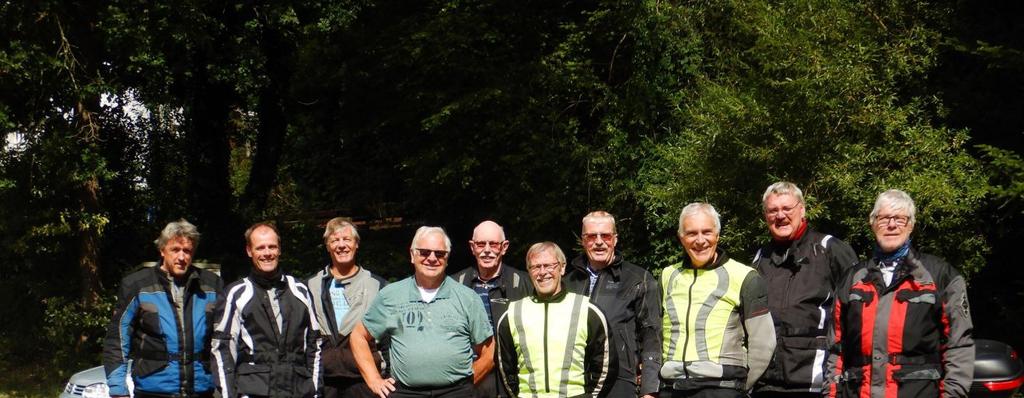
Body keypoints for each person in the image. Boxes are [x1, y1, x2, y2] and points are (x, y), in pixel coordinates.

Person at [824, 190, 974, 398]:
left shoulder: (941, 276)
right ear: (872, 223)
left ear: (911, 225)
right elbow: (835, 349)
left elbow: (958, 345)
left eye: (900, 219)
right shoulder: (852, 278)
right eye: (884, 218)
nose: (891, 225)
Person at [350, 226, 494, 398]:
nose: (432, 258)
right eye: (424, 252)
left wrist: (468, 384)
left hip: (456, 392)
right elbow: (358, 336)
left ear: (447, 258)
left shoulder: (467, 298)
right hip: (405, 393)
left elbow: (489, 350)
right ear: (412, 255)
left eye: (439, 253)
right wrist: (374, 380)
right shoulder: (391, 295)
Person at [750, 182, 859, 398]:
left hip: (814, 383)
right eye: (773, 210)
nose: (780, 216)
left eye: (786, 208)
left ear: (802, 209)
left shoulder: (830, 249)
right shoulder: (760, 258)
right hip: (765, 383)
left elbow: (856, 315)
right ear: (765, 216)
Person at [660, 203, 776, 398]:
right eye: (691, 233)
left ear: (717, 235)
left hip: (722, 388)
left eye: (707, 232)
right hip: (673, 388)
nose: (700, 240)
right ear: (681, 238)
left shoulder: (745, 276)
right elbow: (657, 332)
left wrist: (740, 386)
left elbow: (764, 342)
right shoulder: (668, 275)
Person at [103, 219, 223, 398]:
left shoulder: (212, 285)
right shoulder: (136, 285)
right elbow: (117, 339)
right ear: (162, 250)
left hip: (201, 389)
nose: (181, 257)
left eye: (187, 251)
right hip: (152, 390)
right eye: (175, 249)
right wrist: (118, 389)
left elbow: (225, 339)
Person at [211, 222, 322, 398]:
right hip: (254, 391)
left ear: (279, 250)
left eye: (272, 247)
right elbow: (223, 349)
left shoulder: (300, 290)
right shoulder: (236, 294)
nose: (267, 253)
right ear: (249, 251)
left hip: (298, 390)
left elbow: (315, 346)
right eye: (260, 248)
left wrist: (315, 392)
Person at [496, 241, 614, 398]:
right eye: (536, 267)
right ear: (529, 271)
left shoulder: (586, 309)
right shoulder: (512, 313)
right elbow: (505, 368)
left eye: (549, 265)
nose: (542, 272)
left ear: (562, 268)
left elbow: (605, 365)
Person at [564, 211, 661, 398]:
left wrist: (650, 390)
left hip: (620, 380)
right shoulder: (568, 282)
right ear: (583, 241)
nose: (599, 242)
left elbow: (652, 336)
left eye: (605, 235)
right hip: (574, 381)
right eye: (592, 236)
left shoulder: (637, 279)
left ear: (615, 239)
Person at [307, 218, 388, 398]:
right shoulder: (310, 286)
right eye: (335, 240)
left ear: (356, 244)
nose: (341, 245)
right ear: (328, 246)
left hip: (365, 380)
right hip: (325, 381)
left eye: (347, 239)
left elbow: (388, 337)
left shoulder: (378, 285)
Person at [453, 220, 532, 398]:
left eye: (493, 244)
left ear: (504, 247)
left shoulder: (524, 283)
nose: (487, 250)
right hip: (465, 378)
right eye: (481, 244)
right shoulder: (455, 284)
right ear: (472, 247)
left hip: (510, 379)